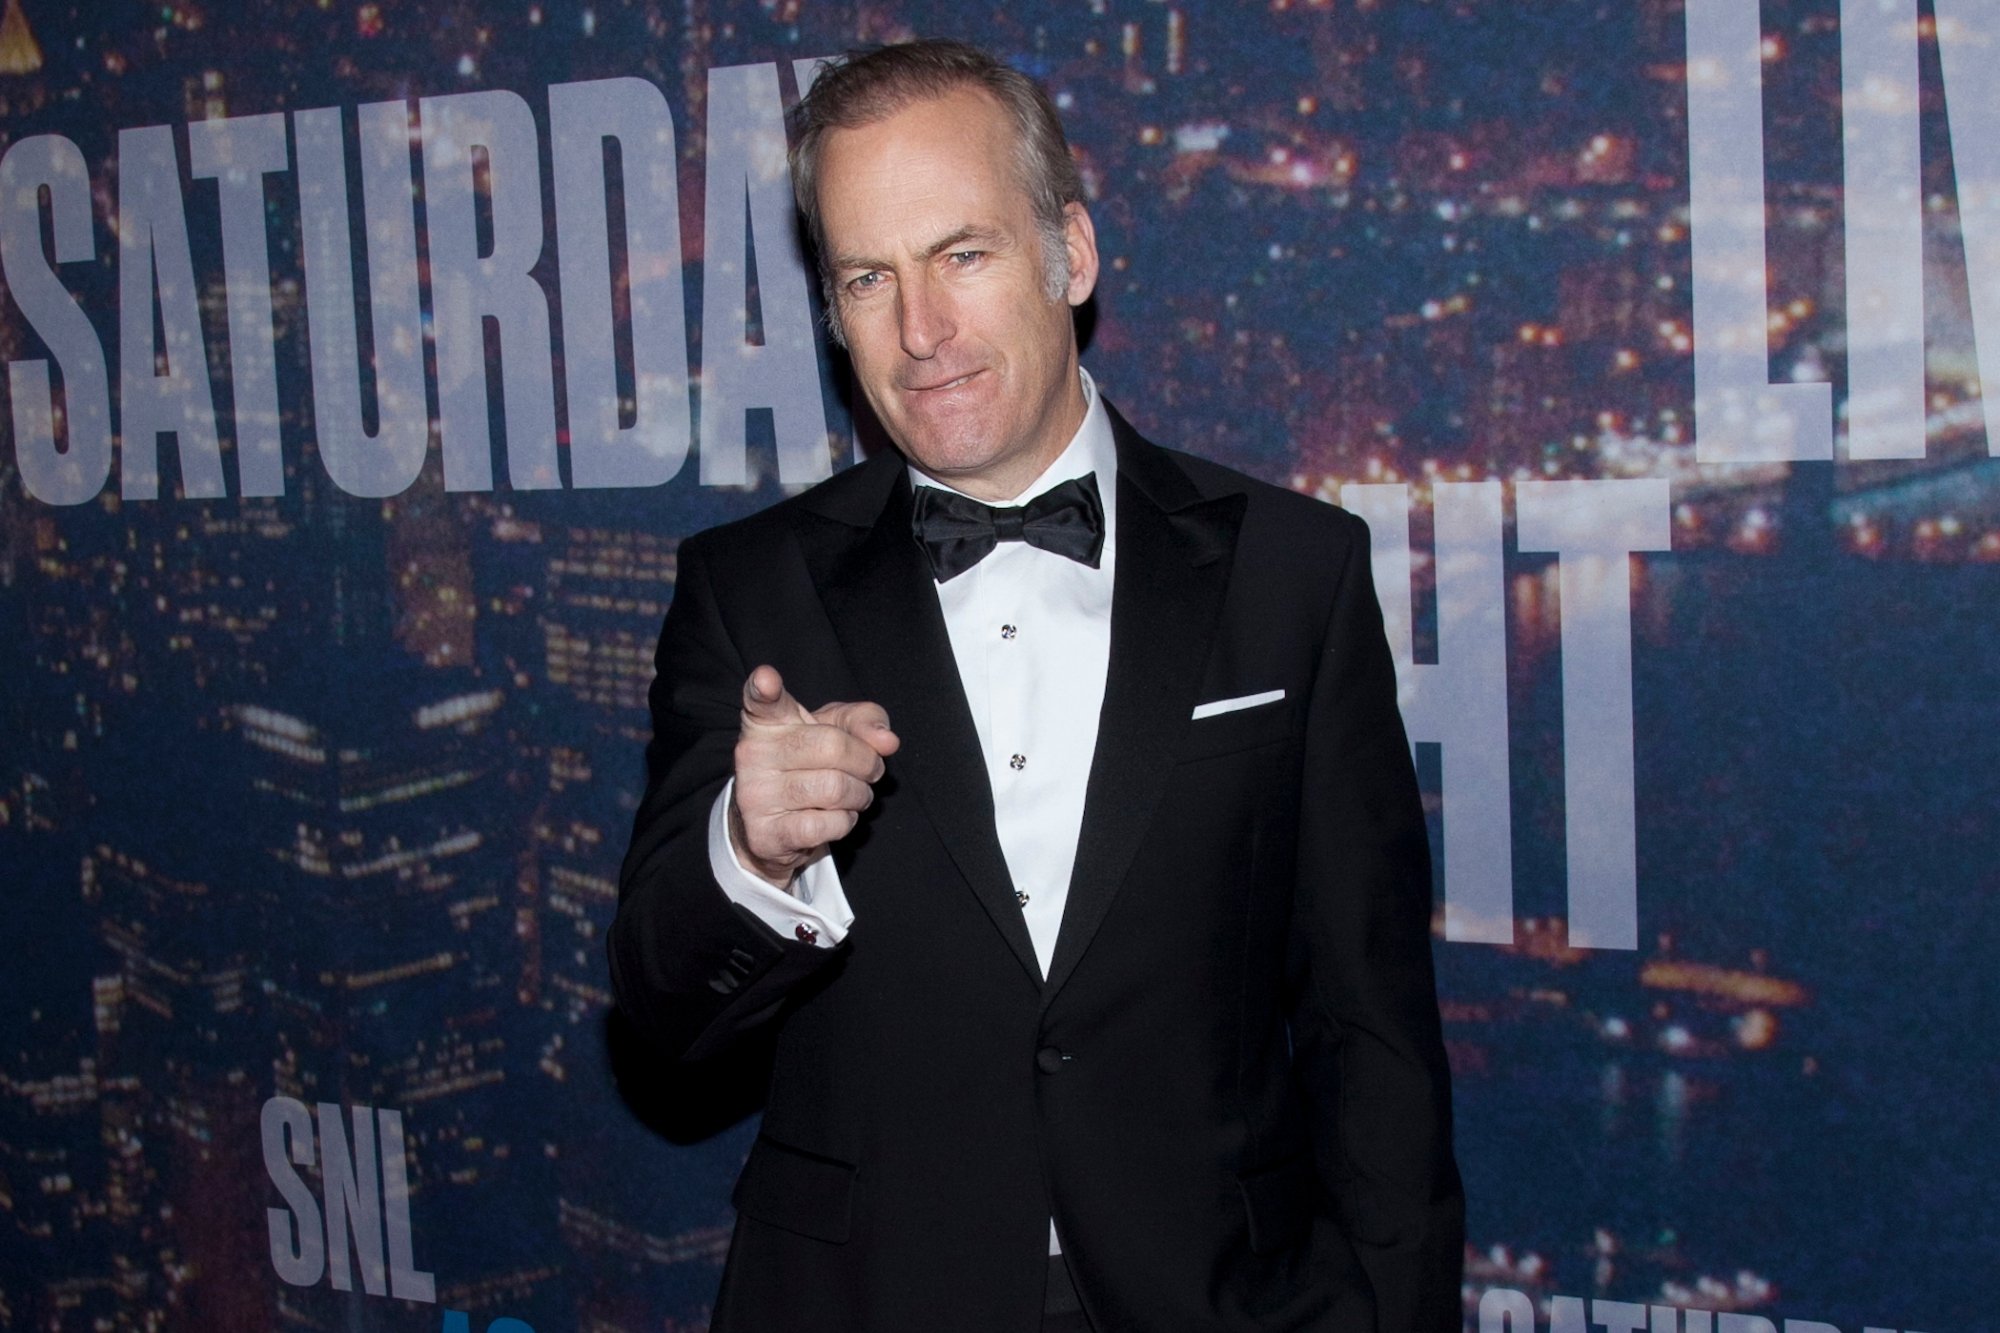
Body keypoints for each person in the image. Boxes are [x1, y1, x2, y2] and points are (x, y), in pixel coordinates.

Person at [609, 38, 1463, 1333]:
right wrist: (750, 850)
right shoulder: (752, 591)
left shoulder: (1294, 575)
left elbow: (1373, 1037)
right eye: (868, 278)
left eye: (963, 254)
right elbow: (662, 1021)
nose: (921, 331)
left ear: (1072, 252)